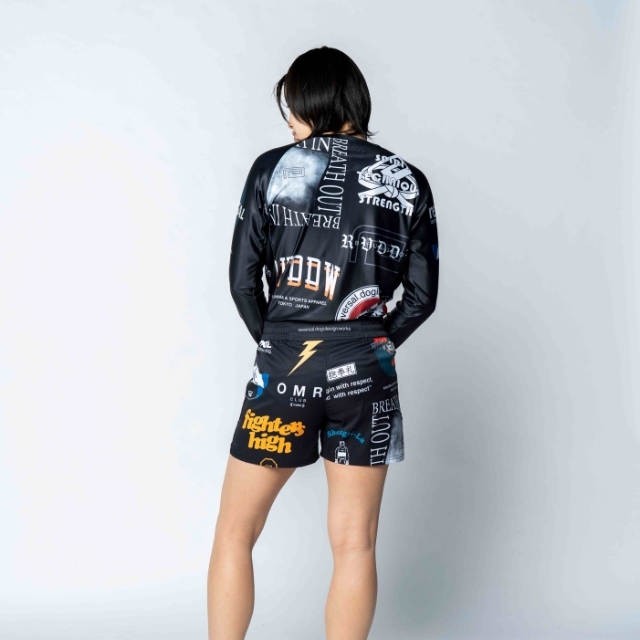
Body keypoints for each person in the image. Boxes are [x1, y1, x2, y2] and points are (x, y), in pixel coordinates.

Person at [207, 45, 439, 640]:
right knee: (355, 543)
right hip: (367, 366)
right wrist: (374, 344)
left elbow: (242, 283)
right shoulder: (408, 181)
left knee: (235, 533)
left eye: (291, 107)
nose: (288, 121)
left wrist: (279, 344)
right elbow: (421, 298)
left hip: (285, 360)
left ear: (312, 101)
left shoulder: (271, 169)